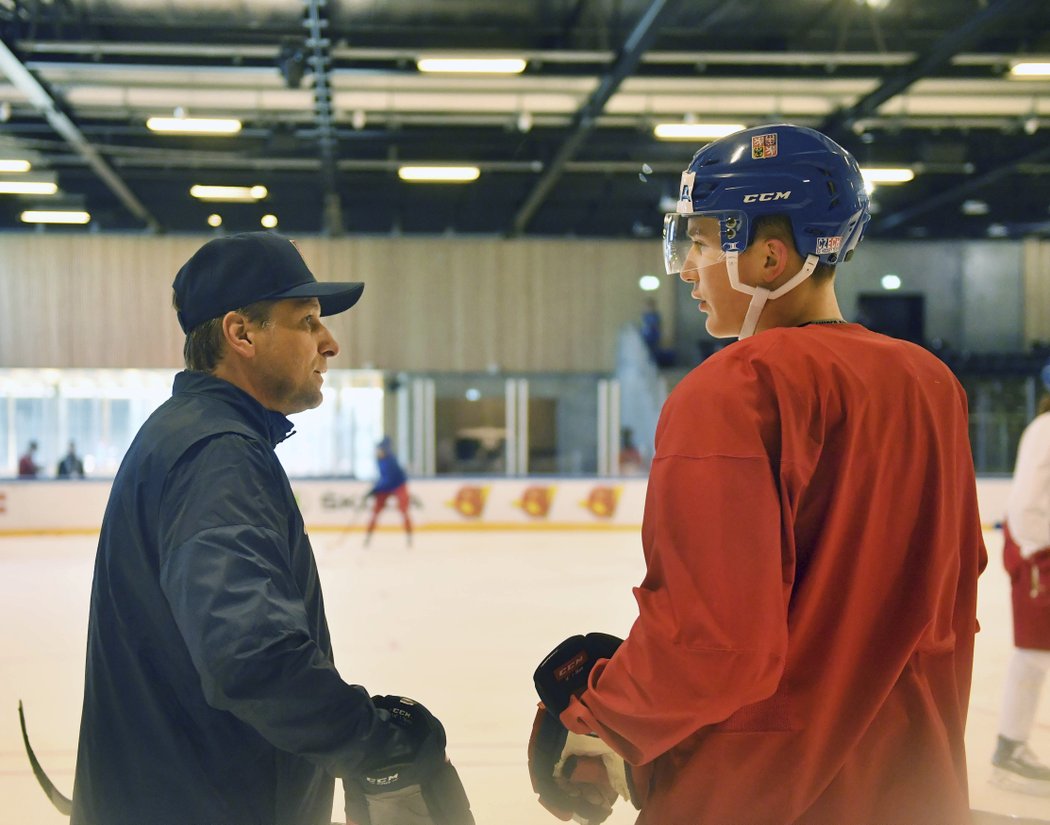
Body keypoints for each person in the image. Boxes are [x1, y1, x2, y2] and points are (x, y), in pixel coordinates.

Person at [528, 124, 986, 824]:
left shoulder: (732, 391)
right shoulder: (932, 384)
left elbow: (714, 643)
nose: (686, 269)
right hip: (918, 789)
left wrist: (600, 713)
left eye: (704, 244)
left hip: (755, 795)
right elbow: (951, 600)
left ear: (770, 257)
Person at [70, 232, 471, 825]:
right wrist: (372, 740)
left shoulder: (190, 431)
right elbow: (249, 654)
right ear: (241, 333)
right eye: (308, 321)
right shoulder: (218, 454)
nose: (330, 343)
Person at [994, 390, 1050, 796]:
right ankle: (1010, 746)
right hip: (1040, 555)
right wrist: (1035, 553)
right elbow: (1028, 500)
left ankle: (1010, 745)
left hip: (1038, 552)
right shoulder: (1045, 431)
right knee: (1034, 652)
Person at [363, 436, 413, 546]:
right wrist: (375, 489)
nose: (378, 451)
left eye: (380, 449)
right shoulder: (379, 460)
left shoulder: (391, 461)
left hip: (398, 486)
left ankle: (409, 537)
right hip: (385, 487)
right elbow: (382, 478)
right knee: (375, 511)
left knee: (404, 509)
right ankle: (367, 537)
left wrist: (375, 489)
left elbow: (388, 480)